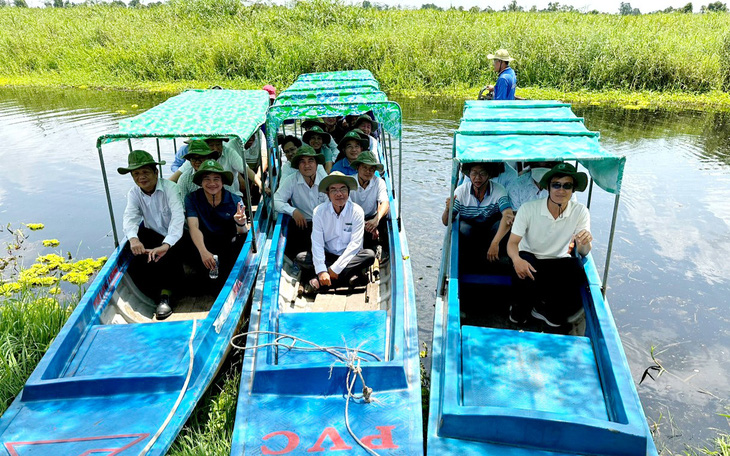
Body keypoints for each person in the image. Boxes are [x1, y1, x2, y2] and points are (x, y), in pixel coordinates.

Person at [507, 163, 593, 328]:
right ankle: (521, 308)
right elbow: (512, 243)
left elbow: (583, 251)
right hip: (529, 256)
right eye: (556, 185)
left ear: (573, 190)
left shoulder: (580, 211)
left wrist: (585, 241)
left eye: (567, 186)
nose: (561, 190)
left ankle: (543, 307)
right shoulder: (528, 209)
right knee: (518, 318)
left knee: (575, 268)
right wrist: (516, 259)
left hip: (557, 259)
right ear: (548, 187)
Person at [118, 150, 185, 320]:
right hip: (153, 236)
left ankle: (165, 295)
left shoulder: (171, 188)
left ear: (156, 172)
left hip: (177, 238)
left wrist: (166, 244)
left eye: (146, 172)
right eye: (136, 174)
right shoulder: (134, 193)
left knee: (166, 254)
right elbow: (130, 218)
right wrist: (133, 239)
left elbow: (178, 220)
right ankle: (152, 292)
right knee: (133, 248)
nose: (141, 177)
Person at [296, 172, 376, 295]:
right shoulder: (319, 212)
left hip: (350, 257)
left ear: (349, 192)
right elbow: (317, 243)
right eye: (333, 190)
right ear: (328, 194)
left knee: (369, 255)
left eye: (343, 189)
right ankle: (346, 276)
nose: (339, 194)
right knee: (301, 258)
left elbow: (355, 245)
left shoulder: (357, 211)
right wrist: (322, 270)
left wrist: (335, 269)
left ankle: (324, 279)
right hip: (328, 255)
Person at [185, 160, 249, 294]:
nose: (212, 184)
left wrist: (240, 222)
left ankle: (235, 276)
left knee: (241, 240)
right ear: (201, 182)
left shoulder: (235, 200)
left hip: (227, 245)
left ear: (223, 181)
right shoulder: (192, 198)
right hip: (204, 244)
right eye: (206, 179)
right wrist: (203, 252)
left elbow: (242, 232)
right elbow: (193, 226)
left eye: (216, 179)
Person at [442, 162, 513, 271]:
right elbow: (446, 222)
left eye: (482, 174)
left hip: (491, 231)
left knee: (501, 224)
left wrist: (495, 243)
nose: (477, 178)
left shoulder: (499, 190)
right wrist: (448, 209)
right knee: (463, 227)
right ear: (469, 175)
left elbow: (508, 215)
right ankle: (473, 258)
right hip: (470, 233)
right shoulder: (461, 192)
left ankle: (495, 255)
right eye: (474, 174)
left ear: (489, 175)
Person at [273, 145, 329, 256]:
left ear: (316, 164)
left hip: (325, 224)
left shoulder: (325, 181)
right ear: (298, 166)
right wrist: (293, 211)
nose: (307, 165)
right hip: (304, 224)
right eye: (302, 162)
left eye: (310, 161)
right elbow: (275, 200)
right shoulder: (291, 180)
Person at [349, 151, 389, 252]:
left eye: (371, 169)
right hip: (352, 218)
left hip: (371, 217)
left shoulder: (379, 182)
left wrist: (376, 219)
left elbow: (385, 203)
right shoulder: (349, 182)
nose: (368, 172)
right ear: (358, 167)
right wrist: (364, 224)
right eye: (365, 168)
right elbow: (345, 208)